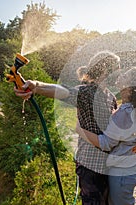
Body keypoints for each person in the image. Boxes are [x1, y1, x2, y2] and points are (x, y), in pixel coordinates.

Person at [14, 51, 121, 205]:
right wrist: (36, 86)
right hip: (90, 166)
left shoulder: (110, 96)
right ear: (104, 70)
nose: (118, 74)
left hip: (107, 164)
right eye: (116, 69)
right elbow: (63, 91)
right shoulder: (87, 92)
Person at [76, 67, 136, 205]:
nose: (120, 75)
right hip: (126, 171)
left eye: (125, 76)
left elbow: (105, 143)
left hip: (122, 174)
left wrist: (80, 130)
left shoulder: (125, 113)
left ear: (130, 87)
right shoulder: (130, 109)